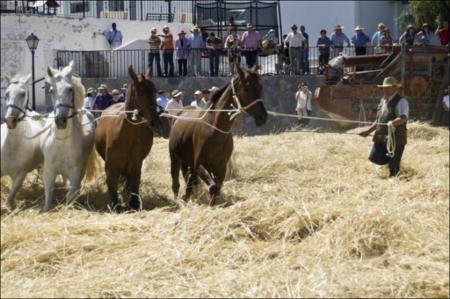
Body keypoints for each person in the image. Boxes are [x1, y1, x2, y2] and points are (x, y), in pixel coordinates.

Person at [359, 76, 409, 177]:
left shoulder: (401, 101)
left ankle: (395, 178)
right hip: (382, 138)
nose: (384, 89)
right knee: (374, 157)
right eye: (383, 87)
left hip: (395, 139)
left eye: (388, 87)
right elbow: (379, 120)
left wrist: (392, 123)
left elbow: (403, 118)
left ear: (395, 88)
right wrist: (368, 131)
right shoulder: (383, 100)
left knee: (394, 166)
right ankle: (392, 162)